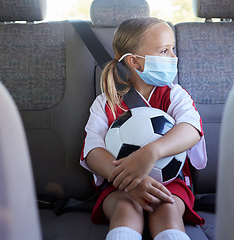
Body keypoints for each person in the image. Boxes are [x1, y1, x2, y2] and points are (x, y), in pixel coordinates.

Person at [80, 17, 207, 240]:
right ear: (135, 62)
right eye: (164, 51)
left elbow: (191, 129)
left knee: (167, 210)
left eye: (173, 49)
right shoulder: (106, 102)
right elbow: (92, 151)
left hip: (170, 182)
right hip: (119, 186)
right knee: (125, 210)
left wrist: (152, 152)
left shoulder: (175, 95)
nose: (174, 57)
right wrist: (129, 180)